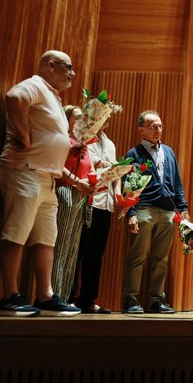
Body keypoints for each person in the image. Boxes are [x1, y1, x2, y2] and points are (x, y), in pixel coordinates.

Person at [0, 50, 85, 317]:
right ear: (51, 66)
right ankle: (9, 296)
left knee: (46, 239)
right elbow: (14, 97)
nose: (72, 74)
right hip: (26, 171)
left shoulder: (53, 95)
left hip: (47, 179)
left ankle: (45, 296)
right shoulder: (36, 84)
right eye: (68, 67)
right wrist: (23, 135)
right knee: (16, 232)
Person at [121, 110, 189, 314]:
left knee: (161, 259)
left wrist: (183, 208)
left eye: (160, 126)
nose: (158, 130)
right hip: (144, 209)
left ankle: (156, 300)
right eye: (153, 127)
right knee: (137, 257)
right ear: (141, 130)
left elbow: (177, 181)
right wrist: (131, 213)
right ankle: (130, 300)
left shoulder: (168, 152)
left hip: (167, 211)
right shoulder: (133, 154)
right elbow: (128, 187)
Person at [70, 119, 119, 313]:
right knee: (78, 251)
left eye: (108, 115)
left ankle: (88, 299)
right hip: (89, 200)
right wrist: (107, 166)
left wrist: (118, 195)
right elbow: (89, 165)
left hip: (106, 204)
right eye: (103, 114)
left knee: (96, 255)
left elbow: (115, 174)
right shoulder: (84, 139)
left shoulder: (110, 144)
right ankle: (69, 296)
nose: (106, 118)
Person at [51, 105, 95, 300]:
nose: (81, 121)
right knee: (61, 246)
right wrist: (77, 182)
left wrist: (94, 181)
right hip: (66, 191)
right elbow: (57, 165)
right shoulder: (64, 140)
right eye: (77, 118)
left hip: (82, 195)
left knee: (72, 249)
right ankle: (54, 295)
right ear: (67, 119)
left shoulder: (83, 144)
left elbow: (90, 169)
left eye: (83, 118)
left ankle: (65, 297)